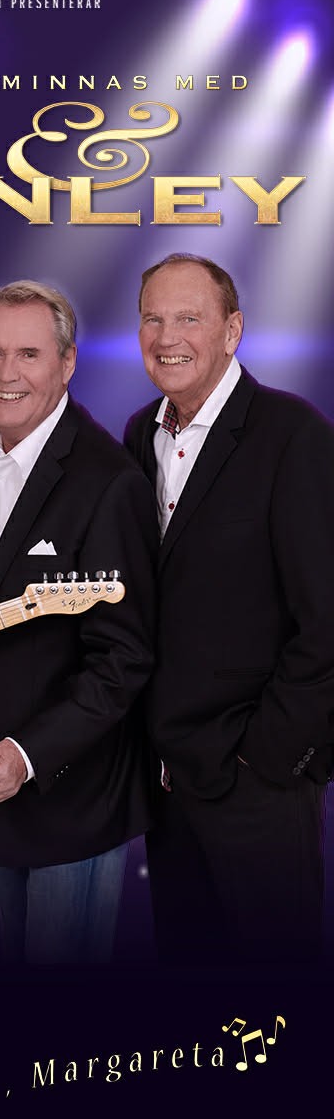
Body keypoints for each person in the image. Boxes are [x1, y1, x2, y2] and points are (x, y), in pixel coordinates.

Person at [125, 252, 334, 965]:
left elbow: (327, 621)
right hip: (166, 786)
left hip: (258, 789)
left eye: (188, 318)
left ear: (233, 330)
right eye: (152, 318)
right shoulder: (138, 437)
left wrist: (270, 759)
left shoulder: (291, 436)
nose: (166, 336)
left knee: (276, 1017)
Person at [0, 280, 158, 964]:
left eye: (29, 354)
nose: (7, 375)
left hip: (68, 798)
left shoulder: (107, 483)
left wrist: (30, 754)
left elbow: (123, 658)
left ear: (66, 364)